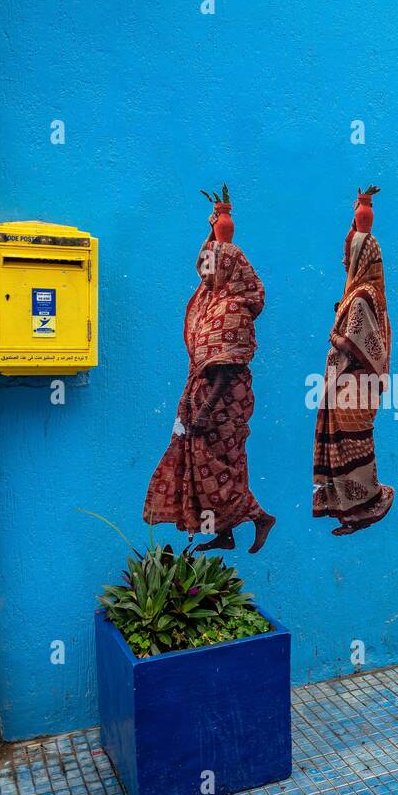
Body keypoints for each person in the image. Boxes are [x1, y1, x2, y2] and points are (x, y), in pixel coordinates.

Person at [143, 195, 275, 552]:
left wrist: (204, 410)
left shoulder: (234, 307)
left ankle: (258, 516)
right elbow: (202, 266)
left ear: (230, 267)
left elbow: (228, 369)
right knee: (202, 467)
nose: (210, 271)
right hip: (202, 401)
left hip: (221, 405)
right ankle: (224, 533)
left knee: (220, 470)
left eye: (217, 265)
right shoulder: (212, 300)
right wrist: (214, 226)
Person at [312, 187, 395, 534]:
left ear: (360, 259)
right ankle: (350, 509)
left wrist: (333, 336)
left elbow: (357, 344)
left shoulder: (361, 297)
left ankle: (364, 506)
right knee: (349, 449)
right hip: (353, 387)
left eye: (348, 255)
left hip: (354, 387)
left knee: (352, 448)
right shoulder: (369, 294)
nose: (343, 261)